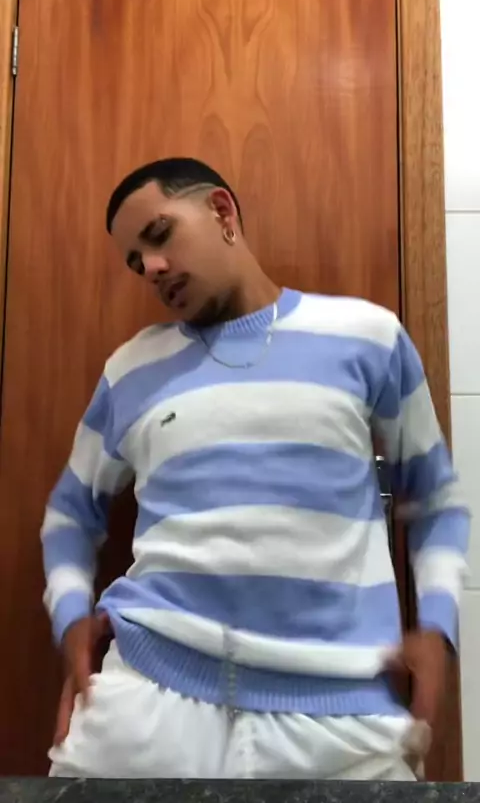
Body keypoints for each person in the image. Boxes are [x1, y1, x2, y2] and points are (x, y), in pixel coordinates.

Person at [41, 157, 469, 780]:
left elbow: (435, 499)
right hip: (147, 699)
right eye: (136, 262)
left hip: (339, 716)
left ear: (221, 211)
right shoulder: (130, 369)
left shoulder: (368, 337)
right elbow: (69, 515)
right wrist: (71, 618)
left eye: (159, 235)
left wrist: (437, 628)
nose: (151, 268)